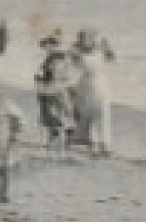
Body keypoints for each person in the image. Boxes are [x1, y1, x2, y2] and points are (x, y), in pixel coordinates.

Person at [72, 28, 116, 157]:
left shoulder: (100, 52)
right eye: (84, 38)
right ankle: (95, 145)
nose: (88, 41)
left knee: (103, 113)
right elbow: (72, 60)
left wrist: (106, 44)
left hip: (100, 84)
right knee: (89, 114)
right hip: (86, 84)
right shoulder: (78, 53)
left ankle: (105, 145)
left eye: (89, 38)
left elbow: (112, 58)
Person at [34, 35, 79, 160]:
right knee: (58, 122)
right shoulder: (57, 59)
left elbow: (55, 77)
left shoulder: (56, 60)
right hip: (54, 92)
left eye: (47, 45)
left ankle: (58, 151)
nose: (45, 48)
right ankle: (59, 151)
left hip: (53, 92)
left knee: (56, 122)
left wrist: (40, 79)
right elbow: (68, 77)